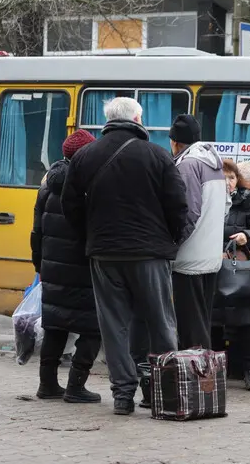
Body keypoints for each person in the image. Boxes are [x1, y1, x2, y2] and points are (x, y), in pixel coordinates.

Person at [61, 97, 188, 416]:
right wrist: (170, 240)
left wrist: (91, 237)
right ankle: (167, 394)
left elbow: (70, 206)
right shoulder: (157, 155)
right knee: (161, 323)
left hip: (105, 253)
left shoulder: (85, 156)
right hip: (150, 252)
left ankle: (122, 396)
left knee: (114, 325)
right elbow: (178, 206)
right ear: (137, 118)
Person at [31, 130, 102, 404]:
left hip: (52, 270)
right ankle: (76, 386)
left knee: (55, 325)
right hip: (85, 269)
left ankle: (47, 384)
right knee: (93, 328)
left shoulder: (47, 185)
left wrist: (40, 266)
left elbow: (36, 232)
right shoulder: (88, 187)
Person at [168, 114, 230, 351]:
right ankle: (206, 379)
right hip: (210, 258)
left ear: (175, 142)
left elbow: (188, 212)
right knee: (201, 321)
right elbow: (225, 208)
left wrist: (173, 245)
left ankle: (197, 380)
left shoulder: (187, 165)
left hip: (189, 259)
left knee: (190, 327)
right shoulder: (213, 164)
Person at [213, 160, 250, 391]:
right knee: (213, 322)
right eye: (223, 177)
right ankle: (213, 372)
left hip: (241, 270)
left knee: (249, 322)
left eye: (232, 178)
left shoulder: (248, 203)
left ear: (238, 180)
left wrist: (247, 235)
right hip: (213, 268)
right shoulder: (209, 200)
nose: (228, 182)